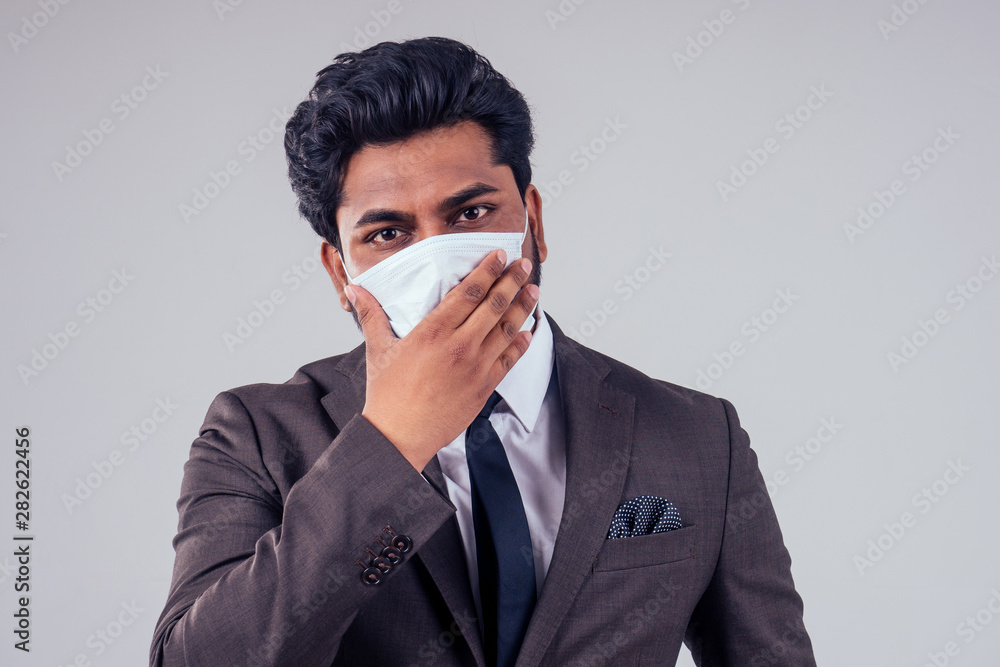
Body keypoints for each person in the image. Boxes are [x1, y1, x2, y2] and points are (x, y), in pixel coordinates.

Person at [150, 36, 817, 667]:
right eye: (387, 232)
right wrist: (390, 443)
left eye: (470, 214)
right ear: (339, 273)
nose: (439, 263)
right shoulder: (258, 436)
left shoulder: (699, 437)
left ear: (535, 222)